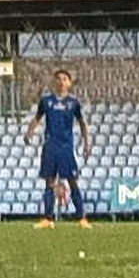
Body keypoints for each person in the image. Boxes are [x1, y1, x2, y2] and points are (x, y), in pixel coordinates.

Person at [28, 68, 92, 227]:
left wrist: (86, 142)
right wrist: (29, 132)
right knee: (49, 182)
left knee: (72, 181)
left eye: (64, 79)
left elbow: (82, 123)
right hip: (50, 146)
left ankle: (81, 218)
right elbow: (37, 118)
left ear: (69, 83)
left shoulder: (73, 103)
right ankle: (47, 219)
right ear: (54, 82)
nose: (61, 82)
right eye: (58, 79)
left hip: (65, 147)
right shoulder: (46, 101)